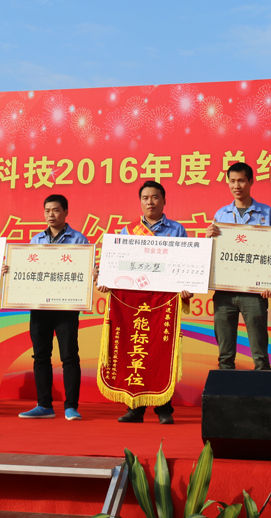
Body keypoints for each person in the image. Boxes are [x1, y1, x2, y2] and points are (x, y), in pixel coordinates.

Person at [100, 180, 191, 425]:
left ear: (164, 200)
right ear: (140, 202)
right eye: (145, 198)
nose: (150, 202)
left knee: (161, 352)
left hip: (163, 301)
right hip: (134, 301)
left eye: (155, 197)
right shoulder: (128, 232)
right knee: (135, 349)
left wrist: (187, 287)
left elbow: (185, 264)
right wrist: (107, 280)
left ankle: (164, 408)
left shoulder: (177, 230)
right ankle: (135, 408)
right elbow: (117, 265)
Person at [16, 194, 89, 421]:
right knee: (40, 356)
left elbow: (85, 271)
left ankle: (71, 407)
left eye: (56, 210)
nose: (51, 215)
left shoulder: (78, 239)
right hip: (39, 307)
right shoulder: (36, 239)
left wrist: (92, 272)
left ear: (66, 212)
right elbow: (27, 270)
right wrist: (12, 270)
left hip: (66, 307)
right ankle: (44, 405)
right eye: (47, 210)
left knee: (69, 356)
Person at [205, 162, 271, 370]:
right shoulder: (221, 214)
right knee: (225, 354)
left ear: (251, 182)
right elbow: (215, 252)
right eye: (232, 181)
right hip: (225, 290)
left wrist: (270, 283)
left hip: (254, 291)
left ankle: (263, 388)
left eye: (241, 181)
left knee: (260, 354)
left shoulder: (266, 212)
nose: (236, 186)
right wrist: (208, 238)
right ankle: (225, 389)